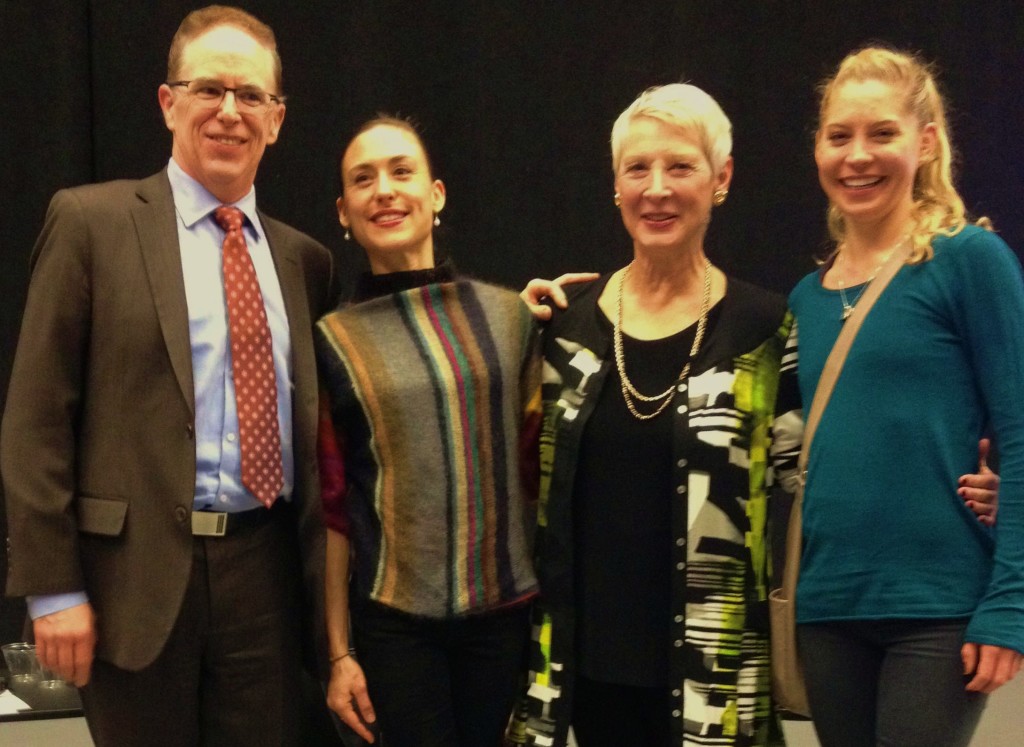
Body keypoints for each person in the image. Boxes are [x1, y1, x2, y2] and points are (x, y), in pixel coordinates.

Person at [1, 6, 336, 745]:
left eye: (250, 96)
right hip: (134, 585)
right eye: (208, 88)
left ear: (276, 119)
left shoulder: (305, 261)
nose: (229, 112)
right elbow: (36, 418)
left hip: (267, 583)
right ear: (168, 102)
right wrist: (53, 589)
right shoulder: (92, 223)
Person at [508, 83, 804, 747]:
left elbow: (817, 473)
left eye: (680, 166)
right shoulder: (565, 330)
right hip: (586, 671)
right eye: (637, 169)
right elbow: (513, 475)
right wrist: (505, 327)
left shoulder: (766, 329)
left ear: (721, 178)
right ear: (615, 186)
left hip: (713, 673)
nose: (657, 188)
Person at [789, 47, 1024, 746]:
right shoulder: (805, 297)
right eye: (840, 136)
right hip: (827, 604)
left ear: (924, 143)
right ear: (819, 148)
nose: (857, 156)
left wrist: (1011, 601)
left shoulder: (968, 261)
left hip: (937, 605)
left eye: (881, 133)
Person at [317, 116, 542, 746]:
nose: (384, 190)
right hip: (393, 626)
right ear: (344, 210)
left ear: (436, 194)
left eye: (400, 171)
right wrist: (338, 652)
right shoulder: (332, 341)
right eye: (364, 180)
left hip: (503, 620)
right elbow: (334, 512)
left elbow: (535, 476)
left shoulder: (508, 318)